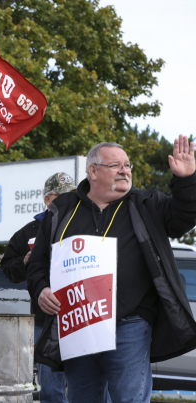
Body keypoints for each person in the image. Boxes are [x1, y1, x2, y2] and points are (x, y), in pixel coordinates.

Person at [26, 137, 196, 403]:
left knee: (127, 398)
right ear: (93, 171)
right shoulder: (62, 210)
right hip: (78, 323)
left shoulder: (146, 203)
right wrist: (41, 290)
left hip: (129, 324)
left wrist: (185, 181)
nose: (125, 170)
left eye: (127, 165)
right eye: (115, 165)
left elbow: (182, 218)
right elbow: (37, 265)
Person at [1, 172, 76, 403]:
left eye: (73, 195)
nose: (70, 200)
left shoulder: (84, 223)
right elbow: (7, 269)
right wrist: (25, 262)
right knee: (51, 389)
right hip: (45, 321)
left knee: (85, 386)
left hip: (80, 317)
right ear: (48, 200)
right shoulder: (29, 231)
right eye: (64, 196)